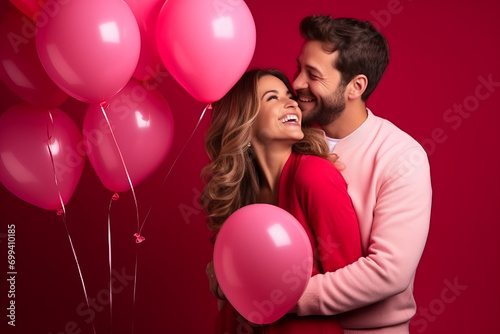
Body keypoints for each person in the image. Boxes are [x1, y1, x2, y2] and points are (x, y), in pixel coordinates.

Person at [291, 15, 432, 333]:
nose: (297, 83)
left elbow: (389, 271)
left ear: (356, 86)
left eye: (312, 74)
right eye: (299, 67)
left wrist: (287, 298)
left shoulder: (401, 156)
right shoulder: (286, 139)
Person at [202, 68, 363, 333]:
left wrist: (273, 293)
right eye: (272, 98)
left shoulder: (314, 176)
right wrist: (217, 272)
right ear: (244, 120)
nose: (292, 102)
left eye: (289, 96)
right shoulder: (240, 196)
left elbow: (353, 279)